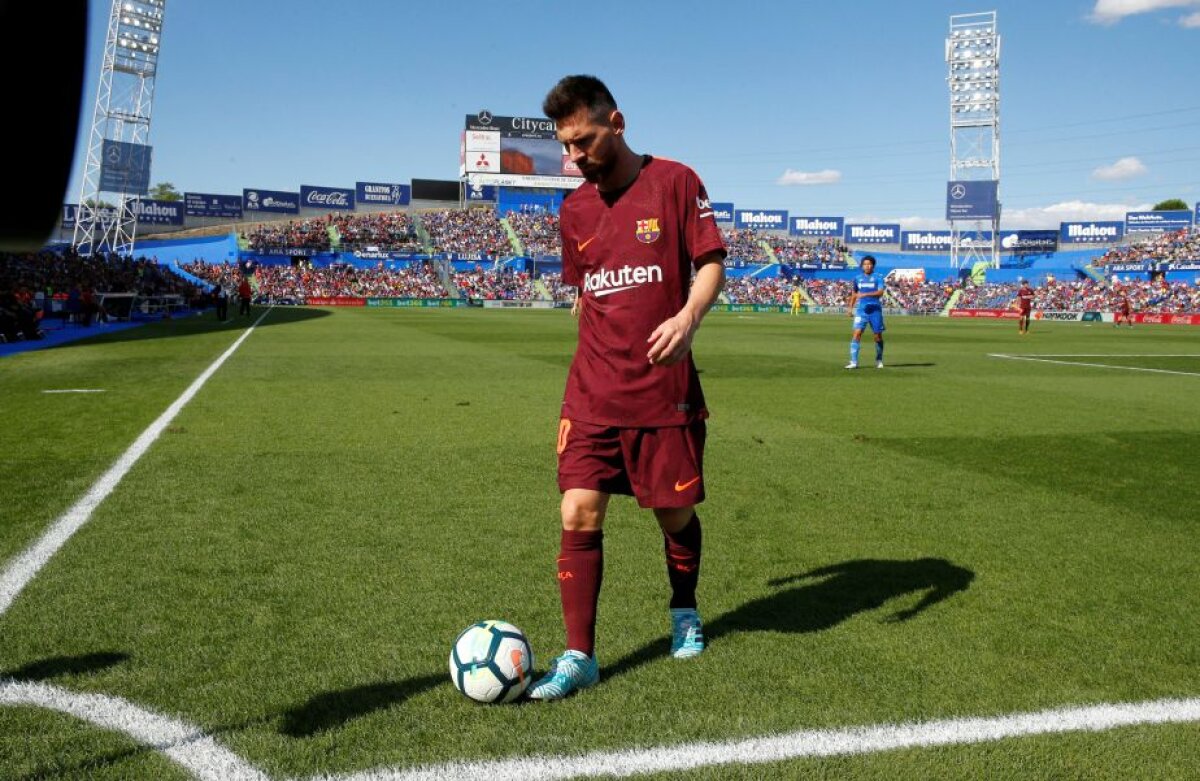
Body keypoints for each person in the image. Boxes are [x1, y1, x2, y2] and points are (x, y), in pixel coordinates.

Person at [528, 74, 727, 701]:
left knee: (673, 514)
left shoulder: (675, 182)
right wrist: (589, 306)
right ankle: (579, 654)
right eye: (566, 147)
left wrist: (687, 318)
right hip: (590, 389)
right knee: (577, 509)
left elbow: (711, 262)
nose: (575, 158)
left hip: (660, 392)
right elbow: (589, 283)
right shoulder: (573, 209)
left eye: (583, 141)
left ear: (617, 122)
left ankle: (684, 609)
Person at [845, 255, 885, 369]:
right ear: (862, 266)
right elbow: (854, 294)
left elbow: (881, 292)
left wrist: (866, 294)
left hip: (875, 310)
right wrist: (850, 308)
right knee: (856, 334)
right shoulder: (857, 278)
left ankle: (879, 359)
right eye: (865, 264)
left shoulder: (878, 277)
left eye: (869, 264)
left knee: (877, 336)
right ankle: (853, 362)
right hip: (861, 310)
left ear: (873, 265)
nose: (867, 266)